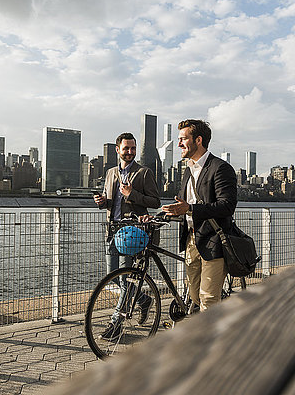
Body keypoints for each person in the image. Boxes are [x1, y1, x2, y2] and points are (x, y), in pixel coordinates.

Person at [162, 119, 237, 311]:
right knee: (194, 295)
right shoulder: (188, 170)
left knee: (208, 300)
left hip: (214, 240)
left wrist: (190, 209)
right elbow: (183, 205)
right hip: (191, 239)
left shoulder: (220, 168)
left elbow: (227, 206)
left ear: (198, 140)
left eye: (183, 139)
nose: (179, 144)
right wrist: (163, 215)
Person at [94, 132, 160, 339]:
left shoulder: (144, 173)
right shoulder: (111, 172)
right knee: (112, 275)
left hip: (132, 234)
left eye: (133, 148)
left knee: (124, 279)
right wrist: (102, 202)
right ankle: (143, 299)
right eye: (126, 148)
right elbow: (112, 202)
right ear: (118, 150)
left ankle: (115, 323)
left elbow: (155, 202)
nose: (130, 152)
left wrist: (132, 195)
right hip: (112, 231)